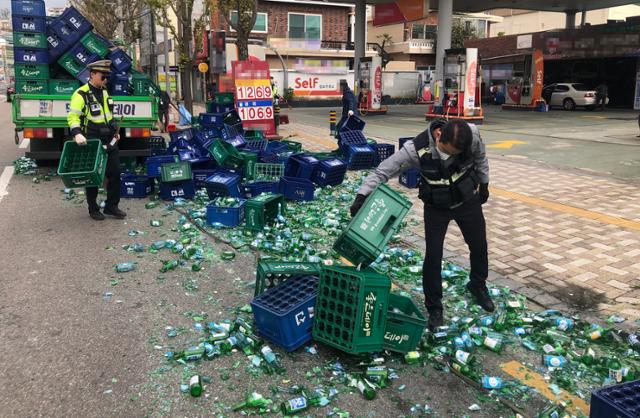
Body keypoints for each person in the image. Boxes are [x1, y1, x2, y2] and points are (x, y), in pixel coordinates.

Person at [350, 119, 494, 331]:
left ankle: (478, 285)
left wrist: (484, 183)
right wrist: (362, 195)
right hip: (436, 206)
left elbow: (480, 157)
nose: (450, 157)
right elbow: (383, 171)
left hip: (466, 200)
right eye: (446, 152)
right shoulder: (415, 149)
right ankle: (434, 307)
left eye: (455, 154)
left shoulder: (471, 134)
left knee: (479, 246)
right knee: (433, 255)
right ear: (438, 137)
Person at [67, 60, 126, 221]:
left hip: (109, 138)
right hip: (92, 140)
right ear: (92, 74)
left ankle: (111, 206)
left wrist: (115, 132)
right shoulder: (80, 94)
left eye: (107, 76)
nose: (105, 79)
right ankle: (93, 208)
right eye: (102, 76)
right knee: (94, 175)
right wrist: (76, 133)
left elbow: (108, 116)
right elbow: (73, 117)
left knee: (114, 173)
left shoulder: (104, 92)